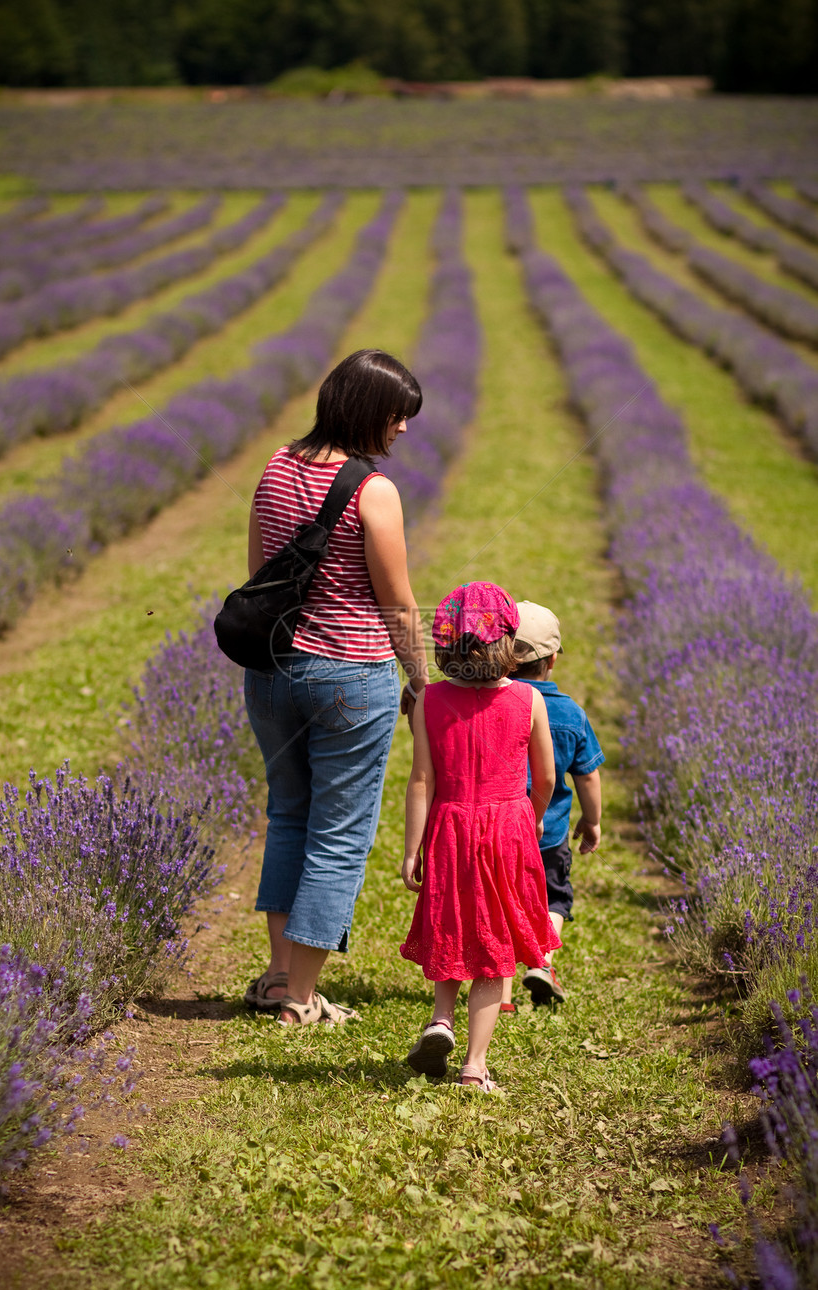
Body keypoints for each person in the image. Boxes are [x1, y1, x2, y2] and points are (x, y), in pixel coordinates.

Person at [243, 349, 429, 1026]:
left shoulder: (275, 464)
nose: (403, 429)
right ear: (365, 411)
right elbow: (398, 604)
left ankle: (277, 976)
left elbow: (261, 575)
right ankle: (301, 997)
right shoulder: (373, 491)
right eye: (397, 416)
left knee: (289, 813)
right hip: (349, 678)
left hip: (271, 671)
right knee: (340, 833)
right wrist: (422, 682)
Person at [399, 582, 559, 1090]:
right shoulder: (529, 699)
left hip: (449, 825)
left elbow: (421, 778)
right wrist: (530, 815)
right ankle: (474, 1066)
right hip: (506, 827)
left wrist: (410, 850)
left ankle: (441, 1019)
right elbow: (548, 776)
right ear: (507, 641)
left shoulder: (429, 701)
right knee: (493, 949)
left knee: (451, 925)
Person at [505, 601, 604, 1007]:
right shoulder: (570, 713)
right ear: (552, 661)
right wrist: (592, 820)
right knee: (554, 899)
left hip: (502, 831)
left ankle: (503, 995)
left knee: (503, 905)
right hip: (550, 834)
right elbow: (587, 775)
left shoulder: (498, 705)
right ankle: (542, 961)